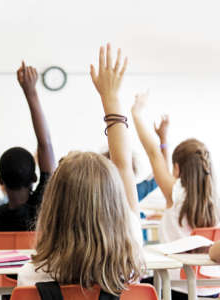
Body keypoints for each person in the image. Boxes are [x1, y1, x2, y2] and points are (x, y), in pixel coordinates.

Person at [18, 45, 143, 296]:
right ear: (115, 201)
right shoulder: (131, 266)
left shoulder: (32, 276)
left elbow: (122, 167)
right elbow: (124, 167)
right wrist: (111, 98)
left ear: (53, 206)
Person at [132, 91, 219, 299]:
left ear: (177, 169)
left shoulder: (176, 194)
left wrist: (137, 113)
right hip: (212, 291)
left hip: (176, 290)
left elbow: (154, 154)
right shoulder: (215, 201)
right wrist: (164, 138)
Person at [0, 61, 55, 250]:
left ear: (0, 180)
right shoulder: (44, 211)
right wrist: (31, 92)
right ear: (35, 177)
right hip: (37, 281)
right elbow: (46, 144)